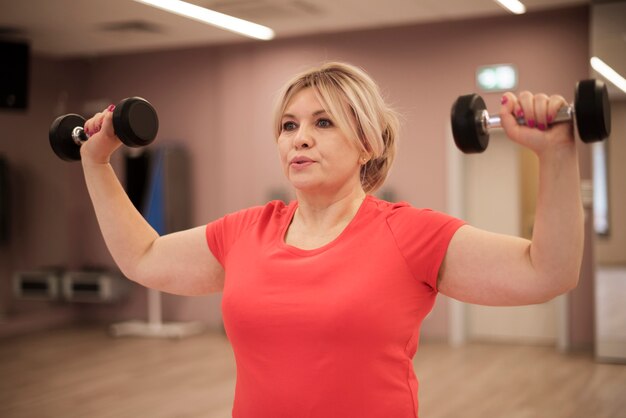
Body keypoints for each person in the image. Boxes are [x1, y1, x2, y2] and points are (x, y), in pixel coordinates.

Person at [80, 62, 583, 418]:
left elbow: (547, 272)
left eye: (323, 123)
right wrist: (96, 162)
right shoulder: (244, 232)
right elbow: (142, 256)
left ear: (368, 143)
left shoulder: (409, 233)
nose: (299, 137)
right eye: (288, 125)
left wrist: (556, 156)